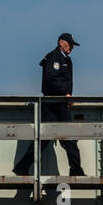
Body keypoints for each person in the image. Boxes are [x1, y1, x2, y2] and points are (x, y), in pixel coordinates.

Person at [14, 33, 84, 176]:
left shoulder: (64, 59)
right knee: (57, 138)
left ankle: (75, 169)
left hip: (59, 104)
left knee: (57, 138)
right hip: (53, 104)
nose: (71, 47)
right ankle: (75, 170)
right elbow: (51, 79)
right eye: (69, 44)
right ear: (61, 43)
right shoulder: (54, 57)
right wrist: (65, 94)